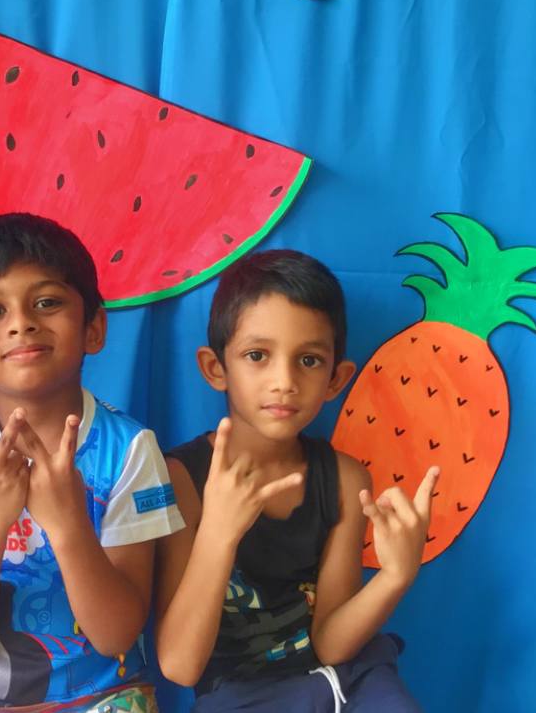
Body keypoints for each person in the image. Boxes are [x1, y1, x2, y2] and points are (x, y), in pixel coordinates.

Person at [0, 213, 183, 712]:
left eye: (47, 302)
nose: (21, 323)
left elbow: (116, 635)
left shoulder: (130, 450)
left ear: (94, 328)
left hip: (104, 698)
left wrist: (68, 523)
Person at [155, 249, 436, 712]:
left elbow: (331, 645)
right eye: (257, 356)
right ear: (215, 368)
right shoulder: (182, 479)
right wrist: (218, 535)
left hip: (348, 680)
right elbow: (179, 666)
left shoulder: (344, 479)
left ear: (336, 379)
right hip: (241, 696)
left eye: (308, 360)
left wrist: (395, 576)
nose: (284, 380)